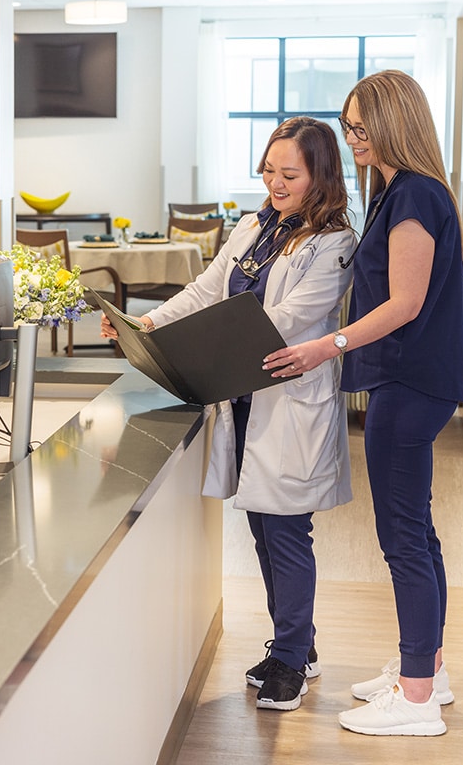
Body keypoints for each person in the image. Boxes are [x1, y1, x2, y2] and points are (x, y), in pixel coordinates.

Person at [103, 117, 356, 712]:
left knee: (287, 531)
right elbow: (206, 288)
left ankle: (292, 659)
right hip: (242, 401)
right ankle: (296, 644)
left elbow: (289, 319)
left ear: (320, 175)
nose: (274, 183)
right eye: (268, 170)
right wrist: (151, 322)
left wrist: (202, 340)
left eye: (288, 173)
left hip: (289, 402)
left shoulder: (335, 242)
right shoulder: (252, 228)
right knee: (264, 530)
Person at [264, 70, 463, 737]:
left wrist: (330, 344)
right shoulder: (400, 193)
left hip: (408, 384)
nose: (352, 138)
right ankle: (426, 672)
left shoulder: (413, 197)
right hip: (411, 381)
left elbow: (404, 304)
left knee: (403, 539)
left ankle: (414, 702)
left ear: (393, 125)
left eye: (361, 127)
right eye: (348, 126)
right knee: (420, 534)